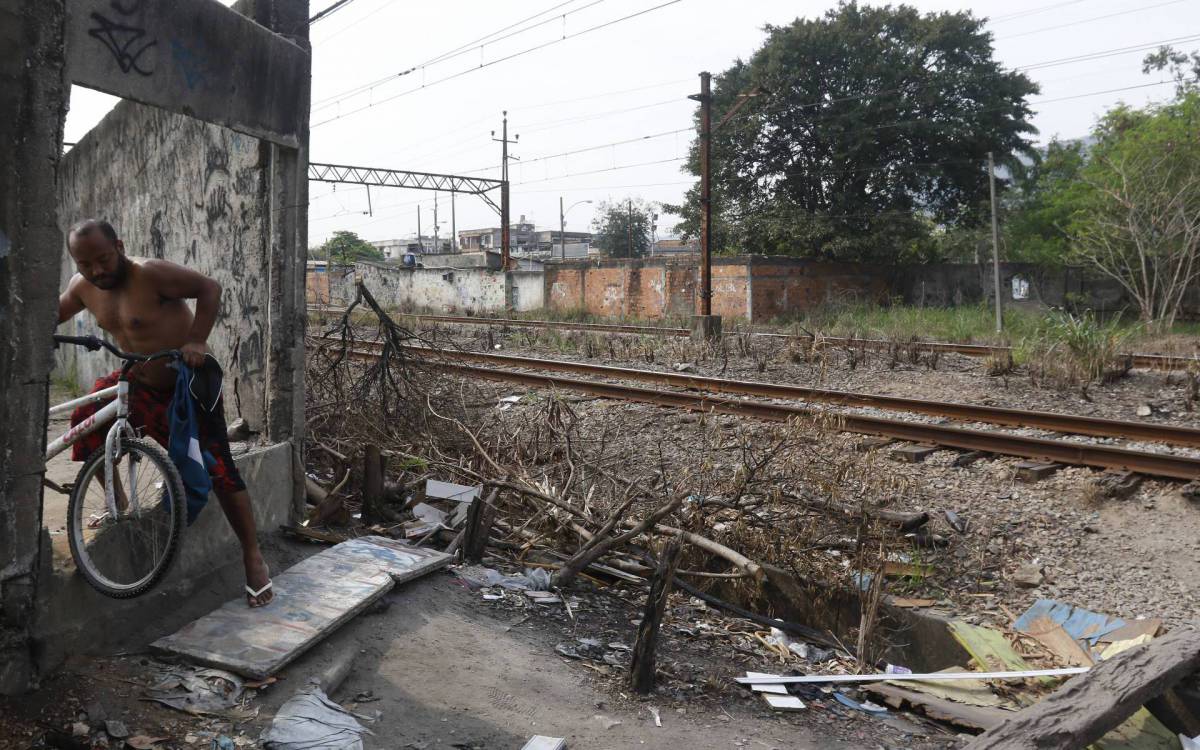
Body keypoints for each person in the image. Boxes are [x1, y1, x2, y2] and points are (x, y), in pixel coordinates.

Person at [57, 219, 274, 607]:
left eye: (104, 259)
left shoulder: (151, 275)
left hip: (186, 383)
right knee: (89, 419)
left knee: (218, 466)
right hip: (137, 380)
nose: (97, 271)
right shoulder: (83, 287)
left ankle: (252, 556)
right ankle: (117, 503)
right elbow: (50, 315)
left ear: (119, 246)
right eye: (86, 264)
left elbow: (209, 288)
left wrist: (197, 338)